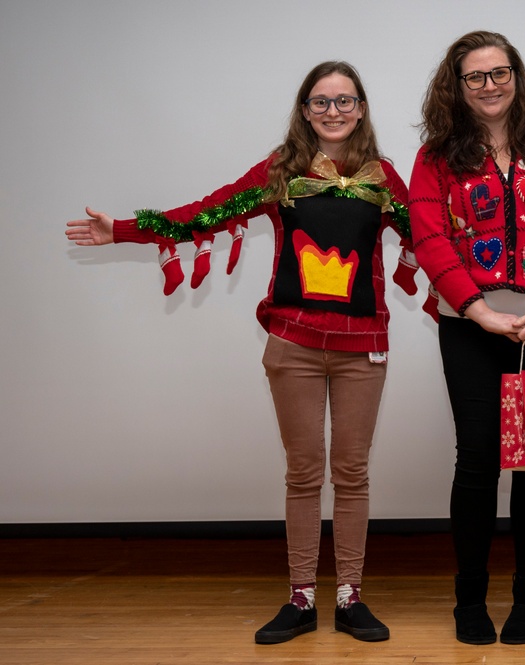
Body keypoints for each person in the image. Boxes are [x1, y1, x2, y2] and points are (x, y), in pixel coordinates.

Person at [65, 61, 420, 646]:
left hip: (364, 350)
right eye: (321, 102)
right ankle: (301, 598)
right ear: (305, 110)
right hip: (294, 347)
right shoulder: (278, 172)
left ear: (361, 109)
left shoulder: (385, 178)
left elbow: (431, 240)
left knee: (351, 475)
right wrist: (124, 230)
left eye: (345, 101)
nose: (334, 112)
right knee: (304, 474)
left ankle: (350, 598)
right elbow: (208, 212)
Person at [408, 30, 525, 645]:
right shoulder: (435, 156)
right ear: (455, 86)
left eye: (500, 73)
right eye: (476, 77)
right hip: (469, 328)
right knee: (478, 463)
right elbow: (430, 240)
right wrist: (479, 311)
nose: (490, 86)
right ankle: (469, 602)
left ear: (516, 76)